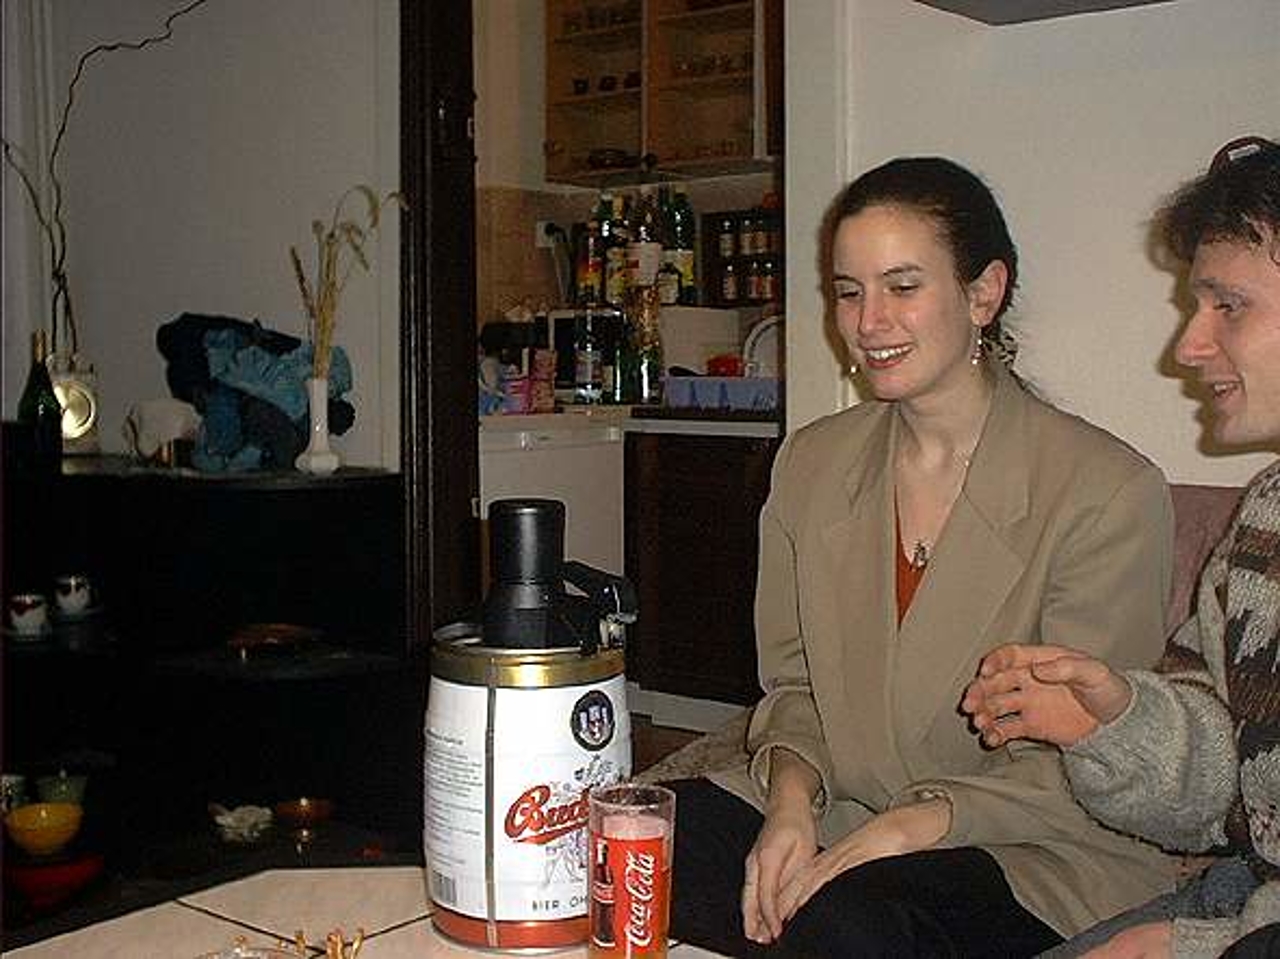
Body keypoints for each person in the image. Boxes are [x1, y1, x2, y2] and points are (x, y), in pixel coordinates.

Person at [665, 156, 1180, 958]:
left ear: (984, 293)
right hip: (846, 808)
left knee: (847, 921)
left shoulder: (1105, 490)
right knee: (631, 839)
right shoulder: (811, 463)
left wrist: (907, 827)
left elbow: (1084, 756)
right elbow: (795, 687)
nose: (869, 321)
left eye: (902, 287)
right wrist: (791, 802)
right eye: (848, 291)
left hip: (1028, 843)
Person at [962, 136, 1280, 959]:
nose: (1188, 347)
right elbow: (1235, 793)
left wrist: (1192, 947)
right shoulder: (1266, 518)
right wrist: (1113, 721)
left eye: (1229, 305)